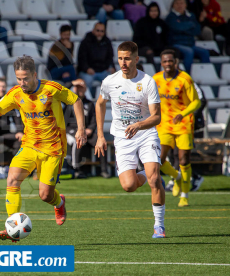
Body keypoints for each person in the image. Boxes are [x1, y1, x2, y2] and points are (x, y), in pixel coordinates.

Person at [0, 56, 87, 242]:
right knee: (12, 179)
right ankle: (12, 227)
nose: (22, 82)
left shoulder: (51, 89)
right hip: (29, 145)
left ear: (34, 75)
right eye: (19, 79)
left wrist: (81, 129)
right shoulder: (16, 93)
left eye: (25, 78)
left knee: (45, 195)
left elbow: (76, 100)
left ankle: (59, 202)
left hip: (52, 149)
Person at [95, 41, 166, 238]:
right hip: (122, 137)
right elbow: (100, 104)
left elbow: (156, 117)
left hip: (145, 133)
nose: (123, 62)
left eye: (127, 58)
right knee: (128, 186)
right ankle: (148, 173)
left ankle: (159, 226)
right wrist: (101, 136)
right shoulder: (110, 81)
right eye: (120, 58)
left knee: (154, 179)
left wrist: (138, 125)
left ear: (136, 59)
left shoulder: (148, 82)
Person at [152, 49, 200, 207]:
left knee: (183, 159)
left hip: (183, 123)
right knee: (159, 159)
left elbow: (196, 102)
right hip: (164, 124)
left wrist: (183, 113)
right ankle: (177, 177)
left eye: (170, 61)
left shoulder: (184, 79)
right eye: (165, 61)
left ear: (176, 62)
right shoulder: (156, 79)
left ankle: (184, 196)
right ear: (161, 63)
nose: (167, 64)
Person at [65, 80, 110, 178]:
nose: (80, 89)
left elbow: (95, 119)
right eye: (78, 87)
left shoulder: (89, 104)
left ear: (85, 89)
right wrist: (72, 83)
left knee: (101, 143)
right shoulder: (68, 102)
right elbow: (62, 89)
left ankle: (104, 170)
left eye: (82, 87)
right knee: (77, 141)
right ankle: (76, 169)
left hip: (87, 132)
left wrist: (90, 129)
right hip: (72, 130)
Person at [165, 0, 210, 72]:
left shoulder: (191, 15)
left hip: (190, 44)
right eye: (177, 3)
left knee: (205, 52)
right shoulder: (170, 17)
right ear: (173, 5)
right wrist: (190, 25)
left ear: (185, 5)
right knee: (189, 52)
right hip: (176, 44)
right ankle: (187, 76)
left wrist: (183, 26)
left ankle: (206, 73)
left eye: (182, 3)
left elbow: (197, 31)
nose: (180, 5)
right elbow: (177, 28)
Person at [78, 23, 115, 89]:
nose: (99, 33)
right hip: (88, 71)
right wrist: (87, 69)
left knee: (113, 80)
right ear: (93, 30)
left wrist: (111, 67)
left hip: (103, 70)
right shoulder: (85, 42)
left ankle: (109, 99)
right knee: (87, 80)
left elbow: (110, 57)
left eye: (102, 31)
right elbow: (81, 59)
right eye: (97, 30)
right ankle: (88, 99)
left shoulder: (107, 42)